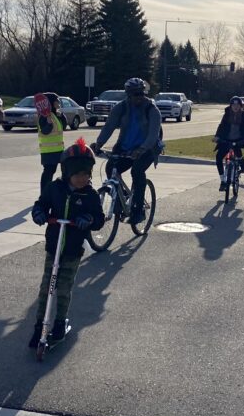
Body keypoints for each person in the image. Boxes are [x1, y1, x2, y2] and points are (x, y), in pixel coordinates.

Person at [29, 137, 104, 348]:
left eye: (86, 174)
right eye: (77, 174)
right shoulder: (55, 188)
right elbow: (41, 204)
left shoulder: (90, 196)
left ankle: (60, 324)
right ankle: (39, 326)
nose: (81, 178)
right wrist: (39, 213)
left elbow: (98, 219)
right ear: (66, 172)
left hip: (72, 250)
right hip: (53, 248)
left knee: (63, 288)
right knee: (47, 287)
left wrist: (87, 219)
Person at [94, 77, 162, 225]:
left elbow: (153, 135)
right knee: (110, 167)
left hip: (147, 149)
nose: (139, 97)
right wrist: (99, 143)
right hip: (125, 148)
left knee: (137, 171)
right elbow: (109, 127)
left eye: (141, 93)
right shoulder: (121, 108)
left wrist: (142, 149)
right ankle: (122, 198)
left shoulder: (152, 110)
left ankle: (138, 210)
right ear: (128, 94)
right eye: (134, 94)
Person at [213, 96, 244, 190]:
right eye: (233, 105)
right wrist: (217, 136)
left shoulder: (243, 115)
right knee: (218, 157)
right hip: (226, 140)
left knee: (238, 153)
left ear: (240, 106)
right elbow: (221, 126)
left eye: (237, 105)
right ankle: (222, 180)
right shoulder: (226, 114)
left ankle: (242, 165)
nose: (235, 107)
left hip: (238, 140)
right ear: (230, 106)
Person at [37, 92, 67, 193]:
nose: (58, 103)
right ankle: (44, 194)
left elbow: (63, 126)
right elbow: (45, 131)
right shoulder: (44, 116)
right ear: (50, 103)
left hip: (58, 150)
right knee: (48, 173)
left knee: (60, 171)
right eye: (56, 101)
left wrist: (61, 115)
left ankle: (56, 192)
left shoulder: (54, 114)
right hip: (49, 151)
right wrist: (49, 124)